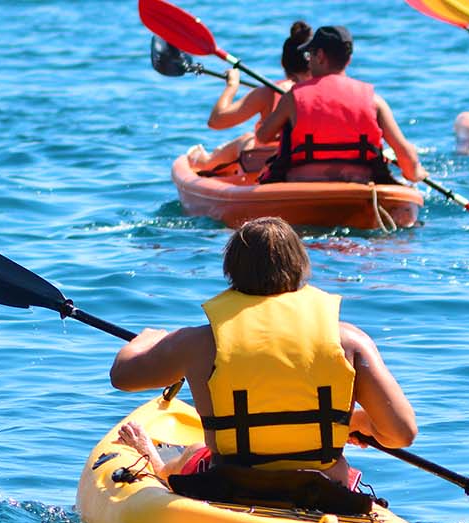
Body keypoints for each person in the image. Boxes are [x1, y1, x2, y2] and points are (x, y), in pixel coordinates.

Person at [107, 217, 417, 496]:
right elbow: (401, 433)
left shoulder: (197, 343)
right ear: (301, 270)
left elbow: (122, 377)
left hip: (230, 487)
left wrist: (145, 341)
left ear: (231, 272)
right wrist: (355, 422)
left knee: (193, 452)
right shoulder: (350, 341)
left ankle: (158, 466)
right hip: (323, 489)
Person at [252, 26, 427, 185]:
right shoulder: (374, 101)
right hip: (360, 183)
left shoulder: (293, 98)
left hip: (302, 182)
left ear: (319, 56)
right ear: (348, 60)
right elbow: (405, 154)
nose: (308, 61)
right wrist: (415, 173)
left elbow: (262, 136)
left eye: (309, 55)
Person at [194, 21, 316, 177]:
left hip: (269, 162)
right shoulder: (327, 91)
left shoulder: (268, 93)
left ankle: (205, 161)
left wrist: (232, 85)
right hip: (312, 160)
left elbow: (216, 121)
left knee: (245, 139)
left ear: (283, 63)